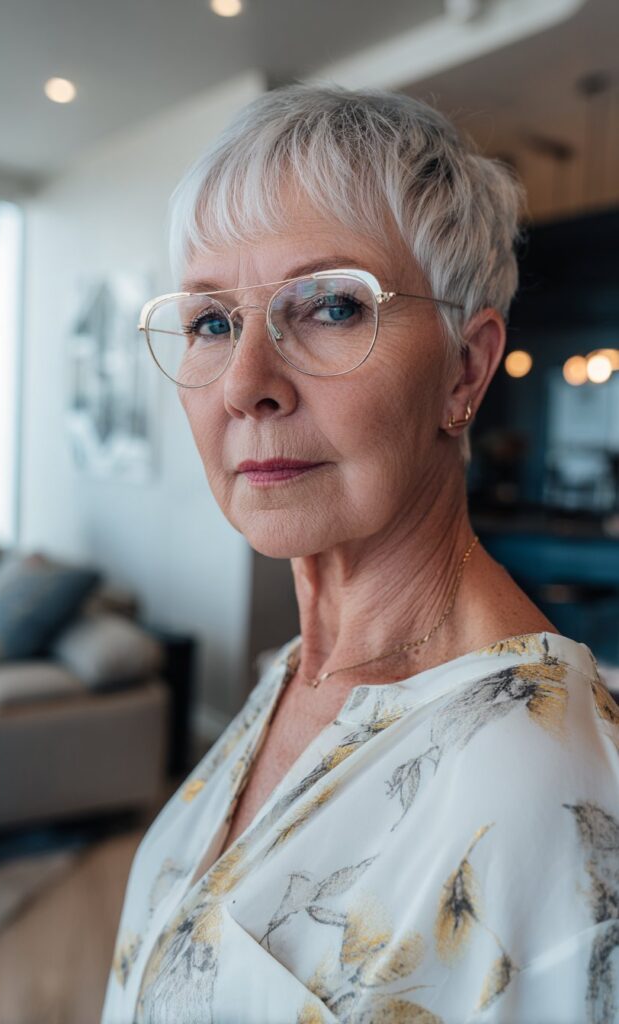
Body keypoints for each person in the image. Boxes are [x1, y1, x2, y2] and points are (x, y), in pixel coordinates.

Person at [100, 84, 619, 1024]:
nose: (246, 383)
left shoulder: (537, 786)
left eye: (329, 307)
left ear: (464, 367)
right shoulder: (294, 672)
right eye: (214, 322)